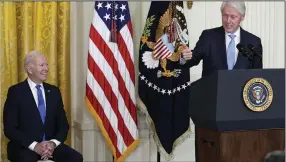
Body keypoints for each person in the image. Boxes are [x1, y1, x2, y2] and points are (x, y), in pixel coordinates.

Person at [3, 50, 83, 162]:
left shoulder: (54, 91)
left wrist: (52, 143)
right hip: (25, 147)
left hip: (51, 147)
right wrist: (35, 146)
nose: (46, 68)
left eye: (46, 64)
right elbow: (10, 128)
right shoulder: (16, 92)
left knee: (76, 158)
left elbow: (63, 125)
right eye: (41, 65)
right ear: (30, 69)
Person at [181, 1, 263, 77]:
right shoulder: (208, 36)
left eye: (233, 17)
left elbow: (257, 75)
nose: (228, 21)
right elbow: (194, 57)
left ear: (242, 17)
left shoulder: (253, 42)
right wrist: (185, 57)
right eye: (225, 15)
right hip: (212, 91)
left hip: (241, 91)